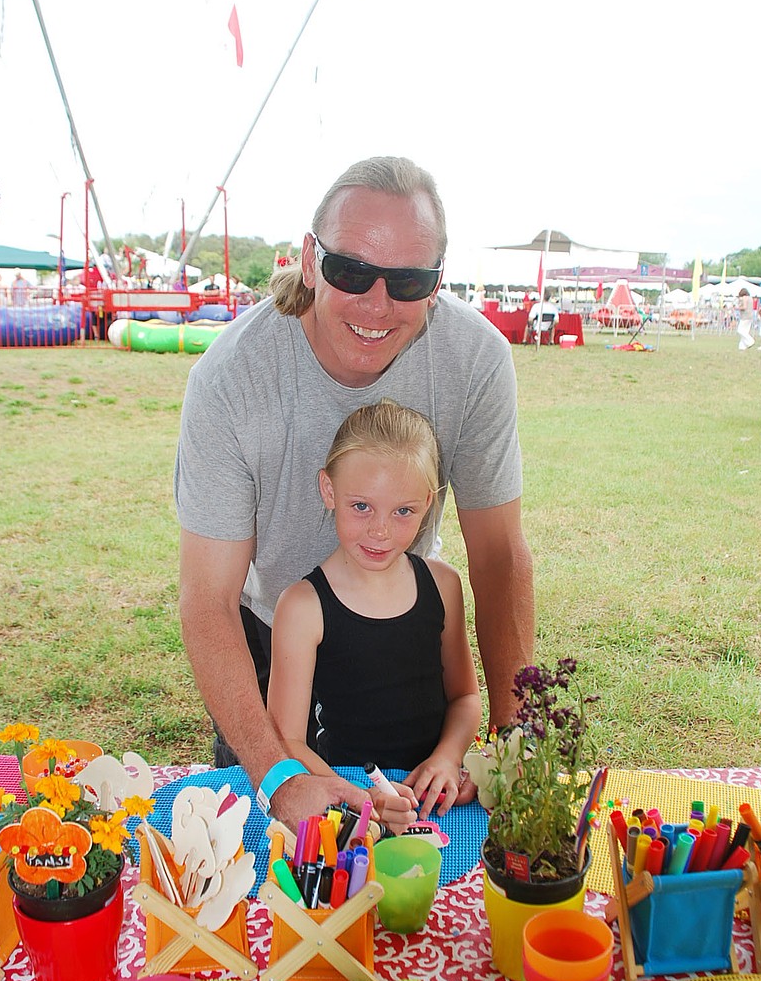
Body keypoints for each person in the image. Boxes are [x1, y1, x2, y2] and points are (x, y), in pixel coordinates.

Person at [175, 155, 535, 829]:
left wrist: (518, 740)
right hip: (268, 646)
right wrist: (278, 772)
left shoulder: (475, 359)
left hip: (401, 636)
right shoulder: (232, 377)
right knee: (283, 862)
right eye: (350, 271)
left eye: (408, 281)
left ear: (437, 284)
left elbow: (498, 558)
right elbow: (208, 599)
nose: (376, 304)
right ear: (310, 260)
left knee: (417, 846)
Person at [267, 400, 482, 829]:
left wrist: (446, 756)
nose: (380, 531)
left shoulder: (443, 586)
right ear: (329, 490)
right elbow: (285, 739)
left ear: (427, 503)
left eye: (403, 511)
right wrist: (362, 801)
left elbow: (465, 698)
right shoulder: (302, 607)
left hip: (437, 802)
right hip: (345, 798)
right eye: (361, 506)